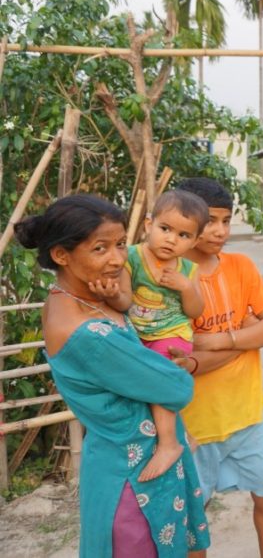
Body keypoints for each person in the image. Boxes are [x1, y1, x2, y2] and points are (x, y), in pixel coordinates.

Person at [16, 195, 210, 557]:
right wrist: (176, 369)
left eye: (121, 244)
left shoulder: (81, 296)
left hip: (131, 459)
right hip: (134, 480)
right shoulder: (87, 334)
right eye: (100, 248)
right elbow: (177, 386)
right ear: (61, 255)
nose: (118, 259)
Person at [176, 177, 263, 558]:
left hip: (248, 414)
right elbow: (181, 364)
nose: (221, 231)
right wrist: (245, 335)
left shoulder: (241, 265)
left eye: (226, 220)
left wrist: (215, 341)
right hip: (193, 425)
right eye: (211, 222)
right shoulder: (168, 279)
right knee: (194, 517)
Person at [106, 190, 208, 482]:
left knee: (158, 376)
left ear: (195, 241)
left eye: (184, 235)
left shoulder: (189, 269)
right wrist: (112, 293)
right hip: (137, 335)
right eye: (165, 229)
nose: (172, 239)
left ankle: (169, 444)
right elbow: (125, 301)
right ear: (149, 225)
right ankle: (183, 433)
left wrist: (186, 287)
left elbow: (195, 311)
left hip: (172, 333)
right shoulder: (133, 257)